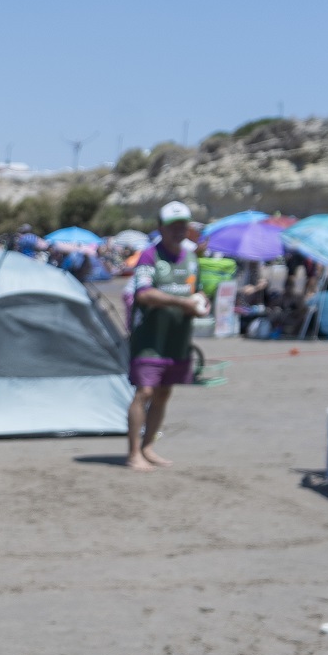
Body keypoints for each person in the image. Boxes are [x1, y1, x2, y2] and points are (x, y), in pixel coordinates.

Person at [126, 201, 207, 471]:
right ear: (160, 228)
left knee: (163, 393)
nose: (178, 231)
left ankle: (148, 446)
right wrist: (182, 303)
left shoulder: (192, 258)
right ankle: (133, 452)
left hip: (177, 338)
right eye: (172, 226)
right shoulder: (150, 257)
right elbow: (144, 294)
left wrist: (199, 303)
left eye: (182, 225)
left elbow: (197, 290)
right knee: (145, 391)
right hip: (150, 338)